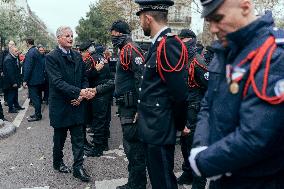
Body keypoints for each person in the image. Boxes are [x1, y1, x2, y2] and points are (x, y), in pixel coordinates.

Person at [189, 0, 284, 189]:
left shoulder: (274, 54)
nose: (213, 29)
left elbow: (257, 136)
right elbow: (208, 105)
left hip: (257, 182)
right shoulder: (227, 49)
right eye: (209, 21)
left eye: (218, 18)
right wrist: (200, 146)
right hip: (221, 174)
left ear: (245, 6)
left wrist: (202, 162)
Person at [135, 1, 189, 188]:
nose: (141, 24)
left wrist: (181, 124)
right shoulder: (158, 44)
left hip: (159, 126)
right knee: (158, 178)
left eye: (141, 19)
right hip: (152, 125)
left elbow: (179, 93)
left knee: (163, 181)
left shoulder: (168, 44)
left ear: (148, 18)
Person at [45, 26, 95, 182]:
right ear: (58, 38)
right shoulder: (52, 57)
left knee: (78, 138)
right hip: (60, 105)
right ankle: (58, 162)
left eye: (72, 35)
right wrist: (79, 92)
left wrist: (82, 94)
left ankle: (78, 167)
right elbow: (57, 82)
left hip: (77, 103)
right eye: (67, 36)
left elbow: (83, 77)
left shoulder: (77, 55)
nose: (70, 38)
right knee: (59, 138)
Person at [110, 20, 147, 189]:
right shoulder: (124, 49)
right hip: (126, 105)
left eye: (115, 35)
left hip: (132, 107)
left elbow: (141, 78)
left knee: (134, 147)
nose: (113, 38)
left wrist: (140, 107)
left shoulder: (130, 49)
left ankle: (137, 184)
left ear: (123, 33)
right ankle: (134, 182)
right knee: (130, 146)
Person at [177, 29, 208, 189]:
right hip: (183, 106)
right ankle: (188, 172)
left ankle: (199, 181)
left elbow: (209, 87)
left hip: (195, 107)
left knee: (195, 145)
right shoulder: (182, 59)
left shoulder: (197, 61)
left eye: (183, 39)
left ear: (191, 40)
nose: (180, 41)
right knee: (184, 142)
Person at [80, 41, 114, 157]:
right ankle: (104, 144)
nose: (82, 55)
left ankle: (98, 148)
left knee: (98, 120)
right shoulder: (101, 57)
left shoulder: (91, 59)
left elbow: (85, 75)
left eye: (82, 52)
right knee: (104, 119)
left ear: (86, 51)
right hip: (105, 91)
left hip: (97, 92)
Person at [23, 38, 45, 122]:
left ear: (28, 43)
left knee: (35, 98)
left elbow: (28, 68)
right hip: (39, 79)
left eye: (25, 43)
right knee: (38, 97)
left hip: (33, 80)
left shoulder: (30, 53)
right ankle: (37, 113)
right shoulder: (36, 51)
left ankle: (38, 115)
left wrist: (25, 80)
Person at [3, 45, 24, 113]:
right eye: (16, 51)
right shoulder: (9, 59)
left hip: (14, 80)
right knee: (11, 95)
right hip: (10, 82)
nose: (17, 52)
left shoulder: (14, 57)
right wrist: (14, 82)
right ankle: (11, 109)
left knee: (15, 94)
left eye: (17, 51)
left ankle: (16, 106)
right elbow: (10, 73)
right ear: (11, 51)